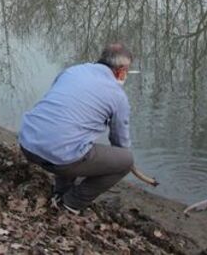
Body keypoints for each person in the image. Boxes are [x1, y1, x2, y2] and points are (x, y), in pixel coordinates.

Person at [19, 43, 134, 214]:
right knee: (126, 161)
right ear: (121, 70)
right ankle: (71, 203)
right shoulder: (117, 96)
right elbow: (119, 141)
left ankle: (61, 192)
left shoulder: (73, 71)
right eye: (127, 71)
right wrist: (121, 160)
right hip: (59, 156)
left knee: (70, 136)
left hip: (27, 142)